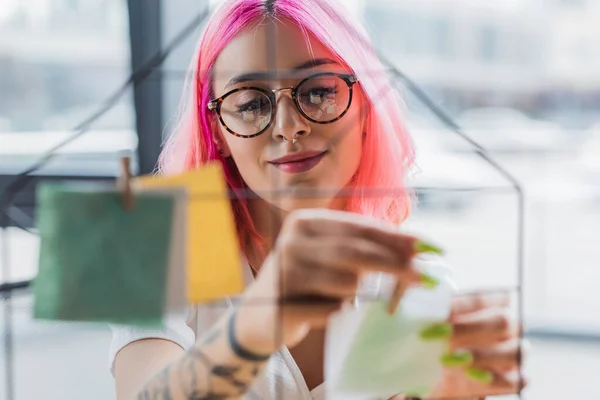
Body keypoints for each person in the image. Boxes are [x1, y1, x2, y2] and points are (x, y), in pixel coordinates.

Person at [110, 0, 526, 399]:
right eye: (252, 103)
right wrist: (255, 327)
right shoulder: (154, 249)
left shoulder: (411, 279)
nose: (288, 128)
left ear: (366, 105)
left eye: (319, 92)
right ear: (216, 130)